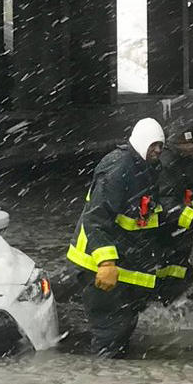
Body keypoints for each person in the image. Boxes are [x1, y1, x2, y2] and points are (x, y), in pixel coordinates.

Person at [66, 118, 166, 356]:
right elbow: (96, 219)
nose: (158, 151)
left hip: (121, 265)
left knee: (121, 327)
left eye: (160, 146)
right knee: (110, 332)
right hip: (97, 266)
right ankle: (106, 383)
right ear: (141, 143)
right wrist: (106, 262)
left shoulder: (145, 169)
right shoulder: (118, 170)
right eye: (153, 145)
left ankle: (115, 382)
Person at [155, 126, 193, 304]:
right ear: (182, 143)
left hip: (179, 233)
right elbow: (165, 201)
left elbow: (191, 193)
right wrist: (190, 219)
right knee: (172, 269)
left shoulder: (186, 162)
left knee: (179, 268)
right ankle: (173, 301)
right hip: (169, 232)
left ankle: (179, 298)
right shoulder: (167, 165)